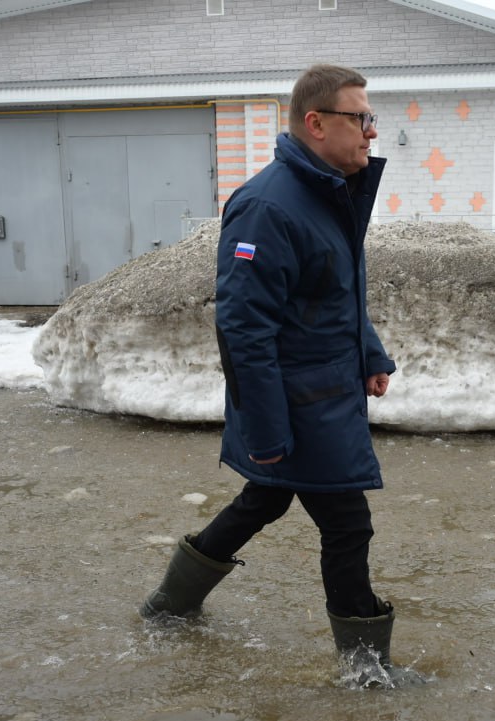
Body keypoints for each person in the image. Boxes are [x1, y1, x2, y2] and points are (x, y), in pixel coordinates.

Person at [140, 63, 405, 681]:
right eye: (359, 117)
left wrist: (369, 353)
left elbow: (336, 296)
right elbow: (244, 328)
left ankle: (171, 602)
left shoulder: (325, 195)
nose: (371, 131)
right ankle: (365, 666)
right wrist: (265, 432)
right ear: (316, 124)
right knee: (348, 525)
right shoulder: (268, 207)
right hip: (297, 404)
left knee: (265, 497)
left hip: (324, 393)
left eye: (372, 118)